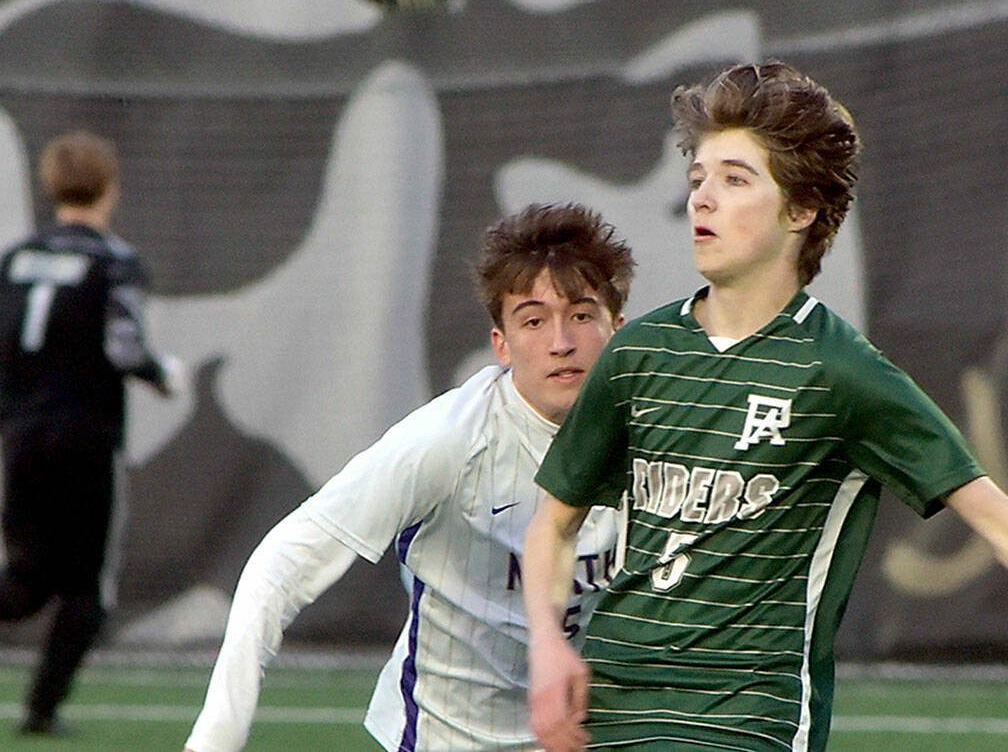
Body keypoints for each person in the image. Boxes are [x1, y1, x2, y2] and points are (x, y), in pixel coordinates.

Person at [522, 62, 1008, 752]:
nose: (702, 199)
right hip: (608, 717)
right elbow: (553, 524)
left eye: (735, 180)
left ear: (800, 210)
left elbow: (1002, 523)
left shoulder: (842, 372)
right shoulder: (639, 350)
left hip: (745, 722)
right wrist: (549, 647)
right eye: (698, 178)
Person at [184, 202, 634, 752]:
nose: (561, 342)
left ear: (619, 329)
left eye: (582, 315)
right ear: (501, 344)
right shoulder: (448, 441)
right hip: (442, 738)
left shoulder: (662, 437)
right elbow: (281, 565)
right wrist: (216, 736)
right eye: (534, 320)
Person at [0, 129, 182, 735]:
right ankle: (41, 712)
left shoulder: (15, 260)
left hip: (22, 437)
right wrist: (163, 375)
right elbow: (124, 348)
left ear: (51, 185)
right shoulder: (114, 261)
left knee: (25, 582)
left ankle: (40, 712)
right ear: (110, 188)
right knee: (86, 589)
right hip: (85, 437)